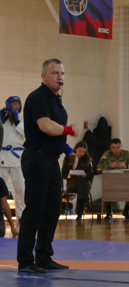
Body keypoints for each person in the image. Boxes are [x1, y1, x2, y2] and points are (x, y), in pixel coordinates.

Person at [17, 58, 78, 273]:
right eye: (55, 73)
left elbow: (57, 133)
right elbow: (46, 127)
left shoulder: (57, 101)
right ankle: (25, 261)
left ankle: (44, 257)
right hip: (36, 159)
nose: (60, 77)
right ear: (44, 76)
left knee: (52, 209)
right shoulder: (37, 97)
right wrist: (69, 130)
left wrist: (69, 150)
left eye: (62, 73)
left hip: (52, 160)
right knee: (34, 208)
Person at [97, 138, 129, 220]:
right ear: (110, 147)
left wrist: (126, 166)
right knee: (107, 189)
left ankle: (127, 209)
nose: (115, 150)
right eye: (113, 148)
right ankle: (109, 211)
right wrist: (109, 166)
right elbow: (98, 168)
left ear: (121, 146)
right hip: (111, 180)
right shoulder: (107, 154)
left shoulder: (126, 154)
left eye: (117, 147)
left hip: (125, 180)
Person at [1, 96, 26, 222]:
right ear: (8, 105)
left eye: (18, 104)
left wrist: (17, 122)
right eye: (14, 104)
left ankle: (21, 216)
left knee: (20, 188)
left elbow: (27, 135)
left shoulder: (23, 120)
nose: (16, 106)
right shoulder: (2, 120)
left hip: (18, 158)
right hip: (3, 158)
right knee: (1, 189)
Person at [61, 141, 95, 220]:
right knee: (81, 182)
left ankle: (80, 213)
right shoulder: (68, 158)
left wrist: (86, 175)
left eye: (84, 151)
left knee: (81, 181)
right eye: (80, 151)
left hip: (85, 182)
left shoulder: (88, 159)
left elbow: (91, 173)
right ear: (75, 149)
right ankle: (85, 203)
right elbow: (64, 174)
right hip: (72, 182)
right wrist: (71, 173)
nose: (82, 153)